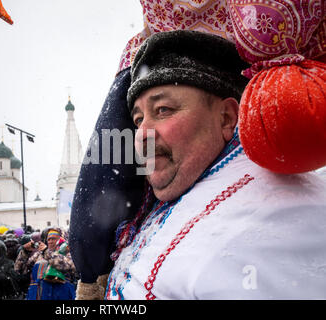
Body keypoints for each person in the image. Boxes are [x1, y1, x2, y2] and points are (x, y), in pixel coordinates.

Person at [93, 30, 326, 300]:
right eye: (137, 120)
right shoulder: (187, 186)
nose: (142, 134)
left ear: (227, 118)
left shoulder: (273, 219)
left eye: (163, 110)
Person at [26, 228, 76, 300]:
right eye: (48, 239)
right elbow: (21, 269)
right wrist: (24, 251)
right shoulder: (39, 254)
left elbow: (68, 266)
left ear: (61, 240)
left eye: (53, 239)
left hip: (60, 294)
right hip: (39, 294)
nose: (50, 242)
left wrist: (46, 252)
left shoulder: (68, 254)